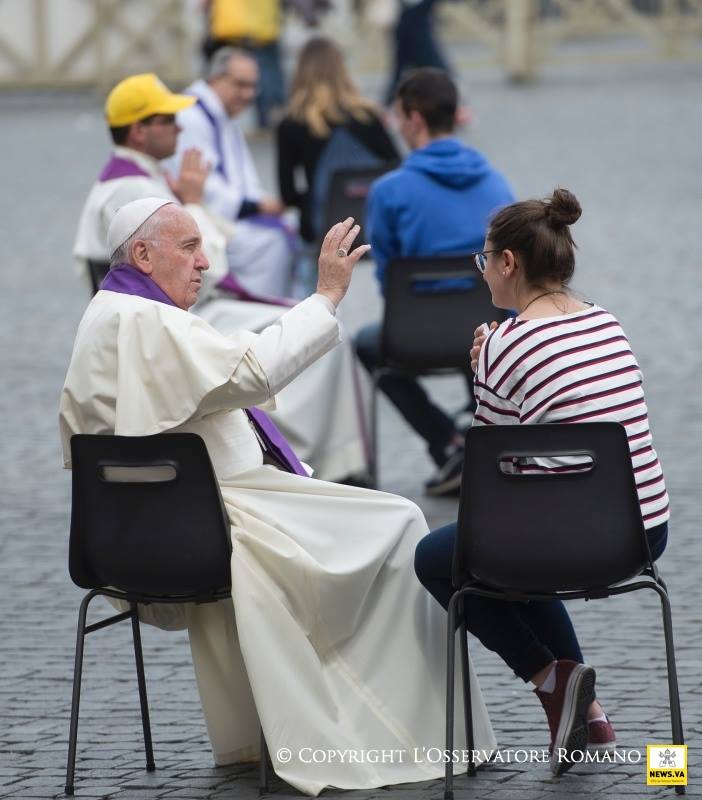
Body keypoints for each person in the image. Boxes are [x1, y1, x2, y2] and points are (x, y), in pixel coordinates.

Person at [60, 201, 497, 795]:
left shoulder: (109, 313)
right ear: (142, 254)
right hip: (221, 520)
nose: (205, 262)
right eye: (188, 247)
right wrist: (325, 297)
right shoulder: (144, 320)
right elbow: (253, 373)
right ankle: (416, 729)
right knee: (402, 520)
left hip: (136, 532)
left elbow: (216, 367)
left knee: (383, 515)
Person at [414, 187, 670, 775]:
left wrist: (484, 374)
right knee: (530, 536)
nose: (483, 275)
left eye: (485, 260)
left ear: (509, 263)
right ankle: (591, 711)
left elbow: (489, 476)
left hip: (570, 536)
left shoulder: (506, 343)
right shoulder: (608, 322)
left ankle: (550, 679)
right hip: (641, 532)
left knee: (437, 557)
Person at [73, 72, 372, 484]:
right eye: (167, 121)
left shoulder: (131, 181)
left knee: (308, 329)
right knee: (325, 340)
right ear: (138, 130)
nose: (179, 129)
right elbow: (212, 268)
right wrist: (324, 297)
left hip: (166, 321)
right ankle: (331, 461)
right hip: (183, 317)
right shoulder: (134, 190)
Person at [356, 68, 515, 495]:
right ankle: (478, 435)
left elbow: (389, 278)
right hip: (492, 333)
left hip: (415, 335)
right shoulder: (497, 182)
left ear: (414, 120)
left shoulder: (389, 190)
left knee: (367, 346)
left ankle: (446, 443)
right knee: (477, 316)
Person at [167, 48, 296, 298]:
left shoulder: (223, 113)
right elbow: (204, 186)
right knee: (272, 242)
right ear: (215, 79)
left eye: (253, 86)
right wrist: (256, 205)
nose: (248, 94)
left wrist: (260, 202)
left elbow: (244, 177)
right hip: (207, 219)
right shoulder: (190, 115)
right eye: (240, 85)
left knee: (291, 229)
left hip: (229, 214)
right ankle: (260, 309)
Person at [277, 36, 399, 246]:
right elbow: (396, 167)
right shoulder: (368, 116)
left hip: (323, 228)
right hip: (377, 223)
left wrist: (316, 197)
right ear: (342, 70)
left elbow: (287, 195)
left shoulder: (291, 123)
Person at [201, 0, 286, 129]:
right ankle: (265, 118)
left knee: (229, 76)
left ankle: (222, 117)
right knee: (261, 76)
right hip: (264, 27)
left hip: (232, 26)